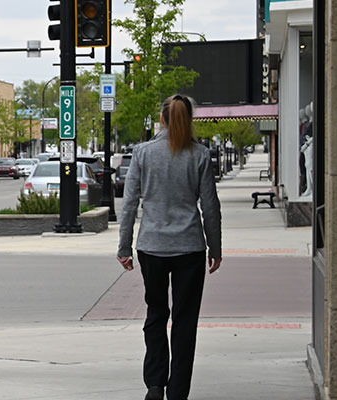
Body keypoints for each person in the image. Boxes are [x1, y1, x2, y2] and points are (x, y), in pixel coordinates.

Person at [117, 94, 223, 400]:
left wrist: (124, 246)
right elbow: (210, 207)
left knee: (156, 313)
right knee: (185, 321)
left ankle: (154, 383)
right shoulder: (200, 155)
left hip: (152, 247)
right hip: (189, 248)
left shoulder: (142, 153)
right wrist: (215, 249)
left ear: (162, 119)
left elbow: (129, 205)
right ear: (187, 119)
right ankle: (178, 391)